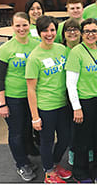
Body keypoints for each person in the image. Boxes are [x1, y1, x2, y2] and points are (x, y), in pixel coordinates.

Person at [65, 18, 97, 182]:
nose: (90, 34)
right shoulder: (76, 52)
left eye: (94, 31)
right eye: (87, 31)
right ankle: (81, 172)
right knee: (82, 140)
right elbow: (70, 83)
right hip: (84, 102)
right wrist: (76, 107)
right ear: (81, 34)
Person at [25, 16, 73, 183]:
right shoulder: (34, 57)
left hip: (63, 104)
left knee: (65, 138)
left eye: (52, 30)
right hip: (46, 106)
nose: (49, 33)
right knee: (47, 141)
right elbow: (30, 89)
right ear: (39, 33)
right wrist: (35, 116)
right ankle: (48, 172)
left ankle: (53, 163)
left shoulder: (62, 49)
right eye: (45, 30)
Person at [0, 12, 40, 181]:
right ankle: (21, 164)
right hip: (14, 97)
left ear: (30, 25)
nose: (21, 29)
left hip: (33, 96)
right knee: (16, 132)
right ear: (12, 27)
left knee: (28, 128)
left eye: (24, 25)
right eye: (18, 25)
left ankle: (27, 155)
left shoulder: (37, 44)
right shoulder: (6, 49)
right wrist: (2, 104)